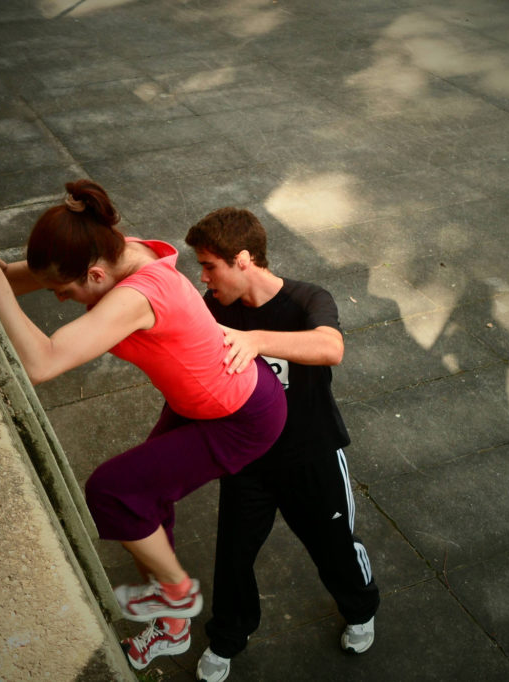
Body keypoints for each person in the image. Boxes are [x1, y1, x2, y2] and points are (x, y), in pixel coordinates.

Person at [0, 174, 287, 671]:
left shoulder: (137, 295)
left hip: (240, 417)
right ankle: (171, 620)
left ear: (94, 276)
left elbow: (42, 362)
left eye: (65, 292)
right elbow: (10, 278)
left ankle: (177, 600)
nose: (59, 300)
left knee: (112, 491)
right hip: (203, 399)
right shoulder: (109, 251)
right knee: (143, 499)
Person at [184, 208, 380, 682]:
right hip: (248, 461)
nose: (204, 278)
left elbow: (330, 347)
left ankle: (360, 609)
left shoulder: (307, 298)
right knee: (232, 558)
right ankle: (228, 638)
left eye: (210, 266)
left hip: (311, 457)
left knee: (334, 548)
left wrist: (255, 341)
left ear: (243, 259)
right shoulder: (213, 306)